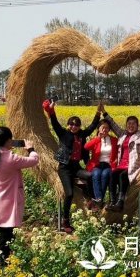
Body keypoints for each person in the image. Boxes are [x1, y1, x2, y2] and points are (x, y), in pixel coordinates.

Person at [0, 126, 39, 264]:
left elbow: (1, 158)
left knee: (3, 231)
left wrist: (6, 148)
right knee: (7, 235)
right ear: (8, 141)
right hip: (8, 200)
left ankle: (1, 259)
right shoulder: (12, 158)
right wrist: (31, 149)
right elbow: (34, 160)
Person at [42, 99, 102, 233]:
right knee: (69, 194)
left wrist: (98, 113)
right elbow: (54, 122)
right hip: (64, 168)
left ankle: (90, 200)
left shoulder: (82, 134)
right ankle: (65, 221)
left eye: (76, 125)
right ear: (68, 125)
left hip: (76, 166)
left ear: (79, 126)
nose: (74, 126)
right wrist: (50, 110)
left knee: (90, 176)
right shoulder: (63, 133)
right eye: (71, 124)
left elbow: (92, 126)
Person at [84, 119, 118, 211]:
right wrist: (98, 138)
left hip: (108, 165)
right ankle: (99, 200)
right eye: (103, 127)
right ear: (99, 129)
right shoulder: (95, 139)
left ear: (109, 129)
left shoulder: (114, 140)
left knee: (105, 175)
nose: (105, 129)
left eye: (107, 128)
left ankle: (97, 201)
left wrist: (116, 161)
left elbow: (120, 151)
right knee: (96, 174)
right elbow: (86, 147)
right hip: (97, 164)